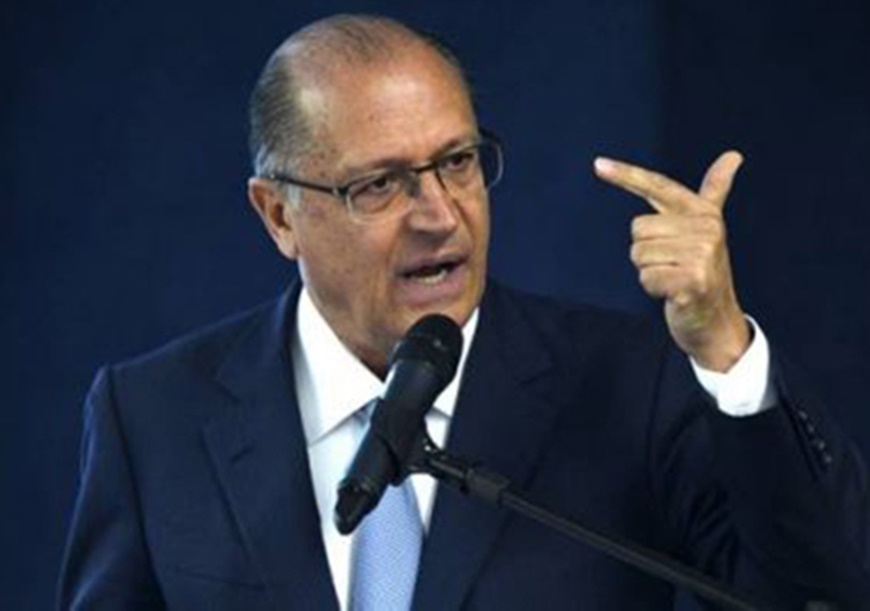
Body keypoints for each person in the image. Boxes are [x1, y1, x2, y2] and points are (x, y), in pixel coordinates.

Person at [58, 13, 869, 611]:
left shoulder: (631, 385)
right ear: (278, 216)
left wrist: (725, 349)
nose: (440, 214)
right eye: (381, 184)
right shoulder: (152, 417)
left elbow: (815, 595)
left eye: (457, 162)